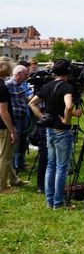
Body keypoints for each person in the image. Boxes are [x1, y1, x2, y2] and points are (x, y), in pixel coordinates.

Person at [29, 58, 77, 208]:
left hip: (49, 130)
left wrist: (43, 117)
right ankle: (58, 202)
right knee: (61, 168)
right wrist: (67, 121)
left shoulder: (48, 86)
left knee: (50, 166)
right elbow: (69, 107)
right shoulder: (67, 87)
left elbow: (31, 103)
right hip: (61, 131)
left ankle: (50, 201)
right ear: (68, 72)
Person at [0, 59, 28, 194]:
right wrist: (12, 130)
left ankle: (13, 179)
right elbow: (3, 112)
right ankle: (2, 186)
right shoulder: (2, 87)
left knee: (7, 154)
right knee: (4, 157)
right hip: (2, 126)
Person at [6, 65, 30, 172]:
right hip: (15, 118)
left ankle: (21, 164)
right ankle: (14, 167)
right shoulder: (8, 85)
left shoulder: (20, 85)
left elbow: (25, 100)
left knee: (23, 142)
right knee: (15, 142)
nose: (27, 77)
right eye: (26, 74)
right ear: (19, 74)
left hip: (23, 117)